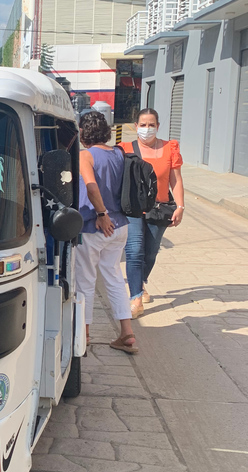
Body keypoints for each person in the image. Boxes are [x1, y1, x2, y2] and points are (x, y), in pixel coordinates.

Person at [75, 112, 138, 354]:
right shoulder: (119, 154)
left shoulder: (85, 155)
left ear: (83, 133)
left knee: (86, 281)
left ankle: (85, 334)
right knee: (114, 278)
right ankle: (127, 333)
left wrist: (101, 214)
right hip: (120, 226)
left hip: (95, 225)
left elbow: (91, 187)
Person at [120, 108, 184, 318]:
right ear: (136, 126)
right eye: (143, 125)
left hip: (159, 208)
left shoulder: (169, 148)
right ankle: (136, 298)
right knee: (134, 251)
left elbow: (175, 180)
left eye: (151, 125)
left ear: (158, 126)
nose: (147, 129)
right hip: (134, 209)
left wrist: (181, 207)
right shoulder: (125, 148)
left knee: (151, 251)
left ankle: (140, 282)